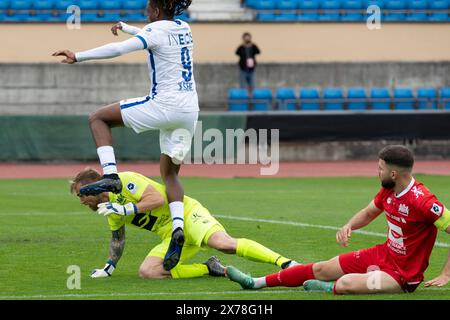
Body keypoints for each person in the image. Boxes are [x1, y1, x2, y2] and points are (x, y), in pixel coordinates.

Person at [52, 0, 197, 271]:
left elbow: (119, 49)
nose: (146, 11)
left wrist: (78, 55)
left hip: (164, 104)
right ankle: (178, 227)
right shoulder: (183, 27)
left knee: (98, 118)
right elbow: (158, 37)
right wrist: (130, 28)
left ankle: (111, 176)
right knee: (170, 175)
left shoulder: (154, 31)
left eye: (148, 8)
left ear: (155, 11)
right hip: (189, 110)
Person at [227, 145, 450, 294]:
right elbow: (369, 212)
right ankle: (256, 282)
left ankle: (326, 288)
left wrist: (446, 273)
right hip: (384, 254)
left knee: (345, 283)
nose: (376, 172)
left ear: (393, 174)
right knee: (324, 267)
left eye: (379, 169)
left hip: (403, 276)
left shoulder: (423, 202)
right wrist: (349, 225)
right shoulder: (389, 189)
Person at [71, 168, 298, 279]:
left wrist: (126, 208)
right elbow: (117, 238)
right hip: (171, 236)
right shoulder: (109, 210)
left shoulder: (124, 181)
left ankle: (286, 263)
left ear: (96, 186)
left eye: (82, 194)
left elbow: (158, 199)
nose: (81, 201)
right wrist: (109, 268)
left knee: (223, 244)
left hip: (187, 215)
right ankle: (210, 268)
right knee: (148, 272)